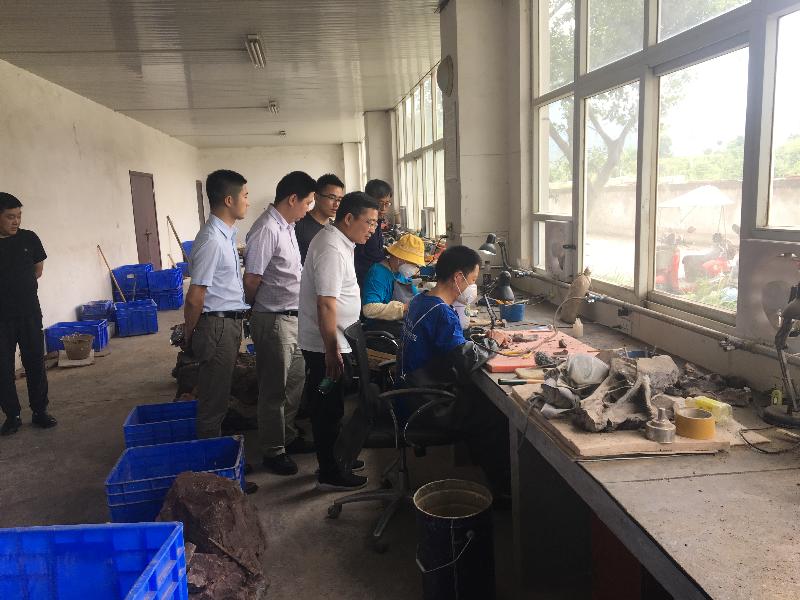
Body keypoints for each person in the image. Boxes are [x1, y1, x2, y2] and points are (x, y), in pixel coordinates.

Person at [398, 245, 510, 498]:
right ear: (458, 277)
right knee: (497, 415)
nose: (473, 287)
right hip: (426, 403)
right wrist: (493, 342)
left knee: (479, 400)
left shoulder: (421, 300)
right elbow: (467, 361)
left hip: (408, 392)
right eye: (473, 280)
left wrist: (477, 339)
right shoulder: (441, 313)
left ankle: (484, 468)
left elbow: (450, 344)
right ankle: (503, 491)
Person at [299, 191, 380, 491]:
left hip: (333, 343)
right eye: (369, 222)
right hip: (325, 347)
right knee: (326, 408)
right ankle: (330, 472)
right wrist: (331, 351)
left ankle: (337, 458)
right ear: (349, 218)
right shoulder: (331, 248)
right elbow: (325, 304)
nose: (373, 229)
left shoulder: (340, 242)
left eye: (376, 223)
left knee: (332, 405)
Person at [243, 171, 317, 476]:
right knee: (274, 389)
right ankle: (273, 450)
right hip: (274, 319)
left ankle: (287, 436)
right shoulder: (266, 229)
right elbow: (252, 279)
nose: (309, 209)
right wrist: (256, 309)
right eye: (308, 203)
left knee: (293, 384)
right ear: (293, 199)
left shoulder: (287, 227)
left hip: (294, 318)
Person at [183, 170, 251, 440]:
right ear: (229, 200)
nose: (248, 201)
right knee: (213, 400)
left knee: (219, 393)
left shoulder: (226, 235)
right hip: (216, 325)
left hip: (226, 323)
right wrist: (190, 332)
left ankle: (214, 445)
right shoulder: (212, 240)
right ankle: (209, 458)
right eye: (245, 196)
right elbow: (195, 296)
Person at [0, 192, 57, 436]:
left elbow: (38, 269)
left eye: (19, 216)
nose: (16, 221)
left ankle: (39, 411)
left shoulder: (29, 238)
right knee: (3, 368)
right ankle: (12, 416)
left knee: (34, 362)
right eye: (10, 217)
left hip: (29, 313)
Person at [361, 233, 425, 339]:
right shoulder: (378, 273)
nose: (414, 267)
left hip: (400, 323)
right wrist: (404, 308)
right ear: (400, 257)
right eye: (412, 263)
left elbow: (414, 295)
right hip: (382, 331)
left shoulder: (401, 273)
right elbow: (369, 309)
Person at [294, 173, 344, 264]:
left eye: (339, 200)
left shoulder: (335, 227)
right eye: (331, 198)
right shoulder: (299, 224)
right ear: (316, 197)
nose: (336, 204)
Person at [355, 179, 393, 286]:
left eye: (387, 203)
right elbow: (371, 254)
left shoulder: (378, 221)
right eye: (380, 203)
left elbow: (375, 250)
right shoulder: (363, 224)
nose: (383, 208)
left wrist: (390, 252)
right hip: (364, 278)